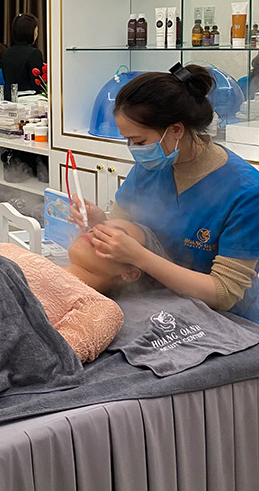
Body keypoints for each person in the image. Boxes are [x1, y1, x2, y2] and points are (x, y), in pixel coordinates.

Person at [69, 63, 259, 323]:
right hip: (161, 302)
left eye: (139, 141)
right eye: (127, 140)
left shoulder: (245, 191)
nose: (133, 149)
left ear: (176, 130)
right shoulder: (152, 166)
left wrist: (139, 257)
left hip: (226, 320)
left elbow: (224, 293)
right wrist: (100, 222)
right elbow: (124, 225)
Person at [1, 13, 45, 101]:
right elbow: (37, 84)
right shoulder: (34, 53)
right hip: (29, 100)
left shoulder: (6, 53)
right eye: (36, 30)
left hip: (9, 99)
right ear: (30, 32)